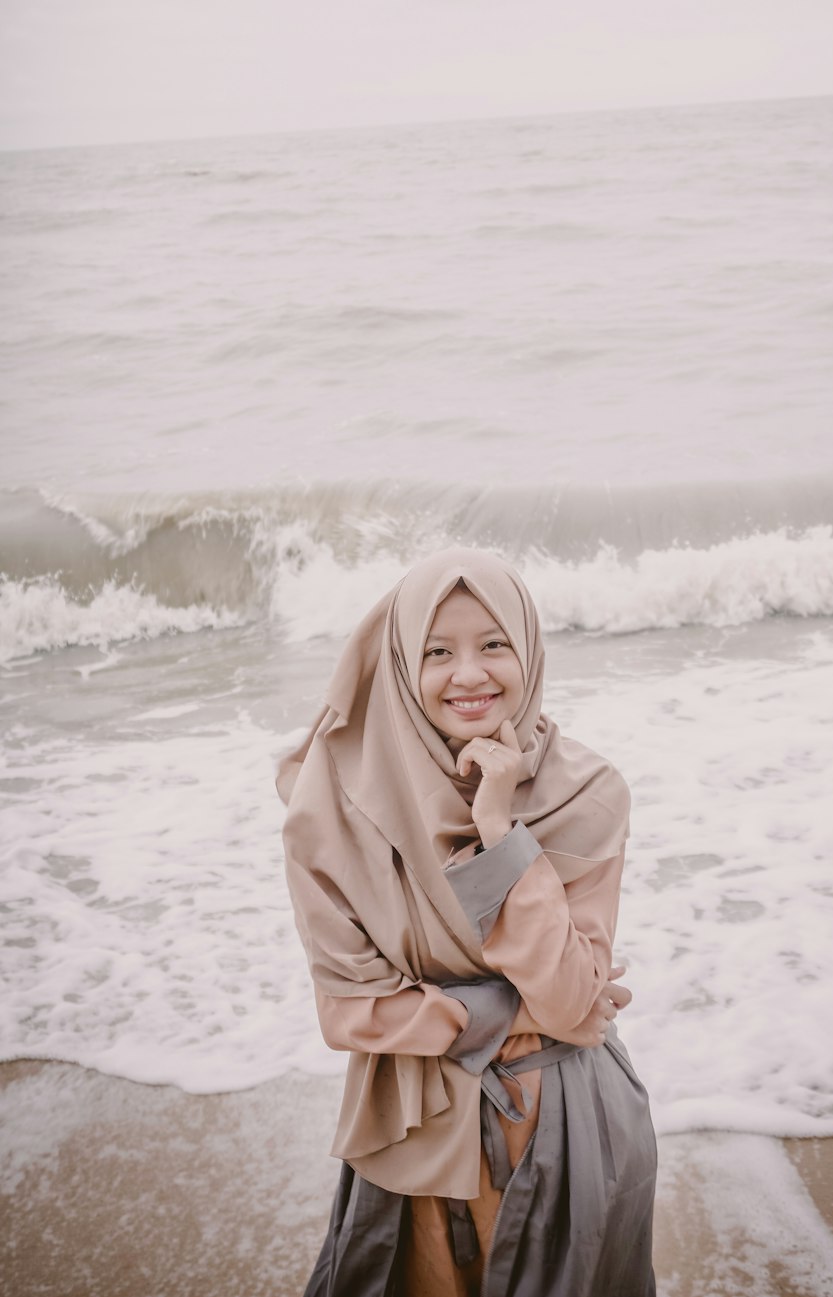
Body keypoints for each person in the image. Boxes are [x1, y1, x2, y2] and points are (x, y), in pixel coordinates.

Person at [277, 546, 657, 1296]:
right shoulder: (333, 808)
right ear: (400, 662)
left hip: (567, 1128)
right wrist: (504, 1007)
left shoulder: (586, 789)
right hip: (419, 1135)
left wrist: (499, 831)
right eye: (438, 650)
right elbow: (349, 1011)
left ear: (529, 646)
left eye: (494, 644)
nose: (471, 673)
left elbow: (574, 1005)